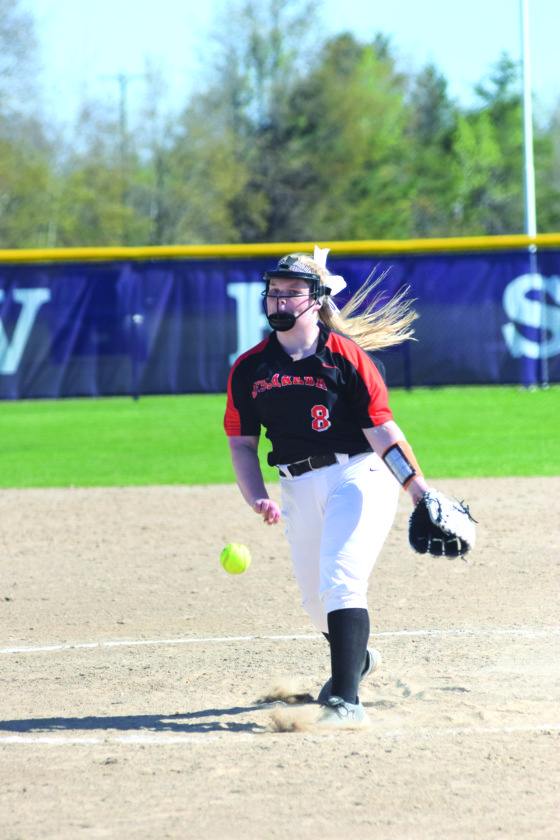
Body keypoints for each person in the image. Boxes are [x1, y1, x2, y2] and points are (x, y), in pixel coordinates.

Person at [223, 246, 429, 728]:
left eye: (292, 292)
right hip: (296, 486)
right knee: (316, 603)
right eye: (274, 291)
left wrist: (419, 490)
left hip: (358, 475)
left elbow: (384, 432)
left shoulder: (346, 357)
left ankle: (345, 702)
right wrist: (256, 496)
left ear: (316, 300)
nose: (280, 300)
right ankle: (357, 659)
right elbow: (241, 444)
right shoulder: (250, 368)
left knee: (341, 580)